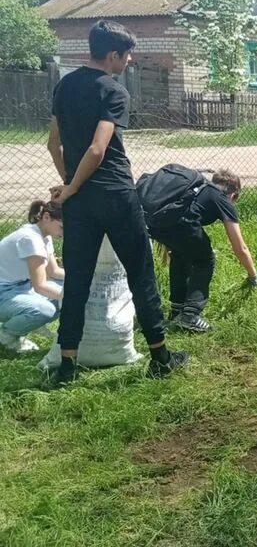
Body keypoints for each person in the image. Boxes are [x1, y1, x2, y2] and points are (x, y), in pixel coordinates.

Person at [47, 19, 188, 384]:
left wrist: (68, 184)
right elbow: (98, 148)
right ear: (112, 55)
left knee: (77, 279)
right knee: (141, 273)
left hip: (79, 204)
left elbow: (53, 144)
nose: (129, 61)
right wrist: (74, 186)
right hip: (114, 195)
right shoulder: (113, 91)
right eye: (126, 55)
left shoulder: (63, 86)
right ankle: (160, 358)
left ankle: (66, 366)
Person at [145, 168, 257, 333]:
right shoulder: (222, 199)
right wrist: (253, 275)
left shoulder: (198, 188)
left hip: (154, 224)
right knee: (205, 260)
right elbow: (240, 247)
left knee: (180, 256)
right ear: (233, 194)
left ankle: (176, 312)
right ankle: (190, 315)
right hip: (182, 225)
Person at [0, 201, 64, 353]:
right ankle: (6, 337)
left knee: (66, 292)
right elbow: (40, 286)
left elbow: (54, 271)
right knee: (44, 310)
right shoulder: (31, 239)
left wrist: (87, 278)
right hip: (4, 292)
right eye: (62, 227)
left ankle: (29, 322)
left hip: (18, 288)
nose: (64, 233)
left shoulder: (43, 235)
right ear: (46, 217)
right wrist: (74, 296)